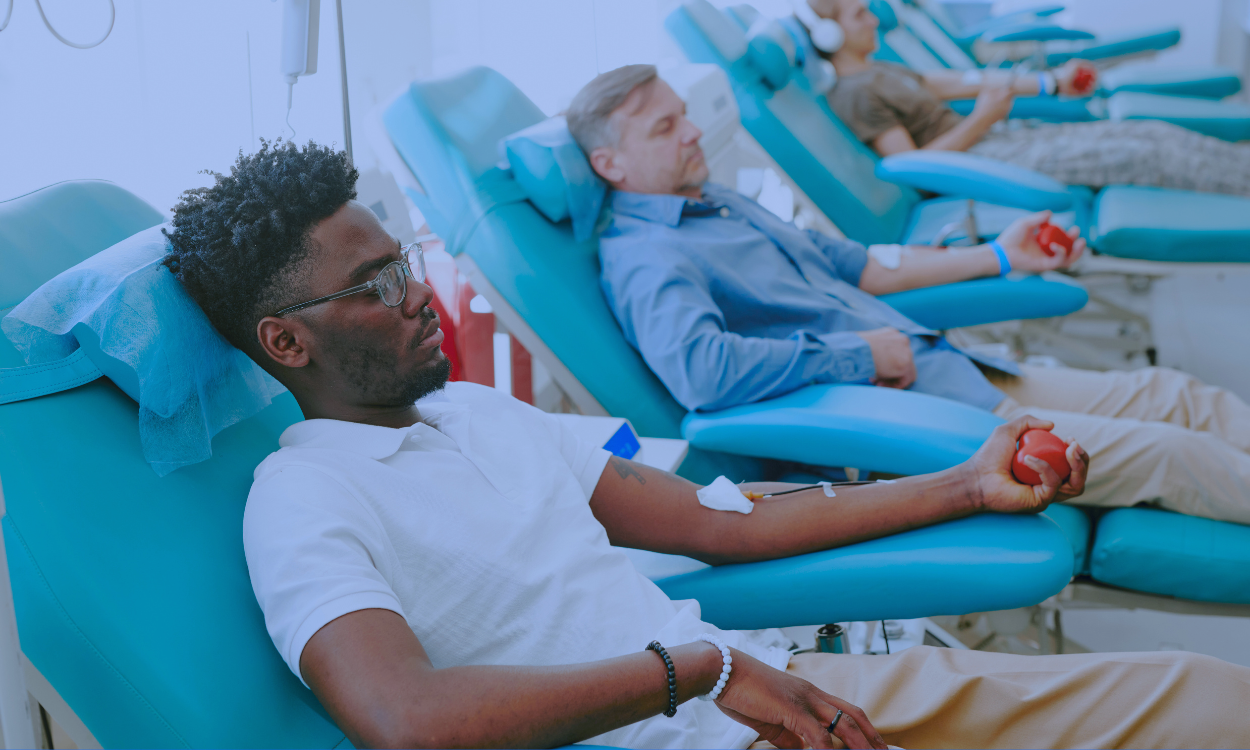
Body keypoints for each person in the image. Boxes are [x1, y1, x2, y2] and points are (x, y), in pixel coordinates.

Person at [162, 141, 1250, 750]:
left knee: (1205, 699)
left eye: (408, 266)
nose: (418, 300)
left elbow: (714, 524)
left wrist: (963, 485)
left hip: (782, 697)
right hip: (708, 717)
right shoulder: (302, 501)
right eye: (380, 288)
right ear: (285, 341)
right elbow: (406, 722)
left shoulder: (476, 415)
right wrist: (693, 669)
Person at [571, 63, 1250, 528]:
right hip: (918, 419)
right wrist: (857, 356)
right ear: (610, 165)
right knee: (1171, 453)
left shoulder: (714, 200)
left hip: (951, 367)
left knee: (1180, 397)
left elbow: (860, 264)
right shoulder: (645, 257)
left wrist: (997, 255)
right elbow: (702, 372)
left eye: (683, 116)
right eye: (664, 128)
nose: (692, 132)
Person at [812, 0, 1250, 197]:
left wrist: (1049, 83)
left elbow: (955, 81)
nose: (874, 19)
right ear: (830, 34)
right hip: (983, 162)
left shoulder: (878, 68)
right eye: (859, 14)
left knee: (1146, 130)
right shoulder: (855, 94)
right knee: (1139, 155)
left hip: (996, 142)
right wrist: (982, 119)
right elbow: (914, 170)